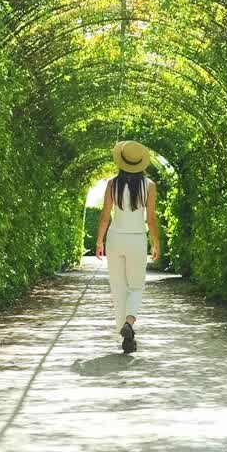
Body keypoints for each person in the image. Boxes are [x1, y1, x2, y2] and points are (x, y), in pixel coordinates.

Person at [94, 140, 161, 354]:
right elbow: (150, 218)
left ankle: (125, 336)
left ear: (121, 162)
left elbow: (105, 216)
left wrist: (99, 241)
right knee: (136, 286)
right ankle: (129, 323)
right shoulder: (149, 186)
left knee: (118, 287)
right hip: (137, 240)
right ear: (141, 163)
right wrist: (155, 242)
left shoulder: (112, 184)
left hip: (115, 238)